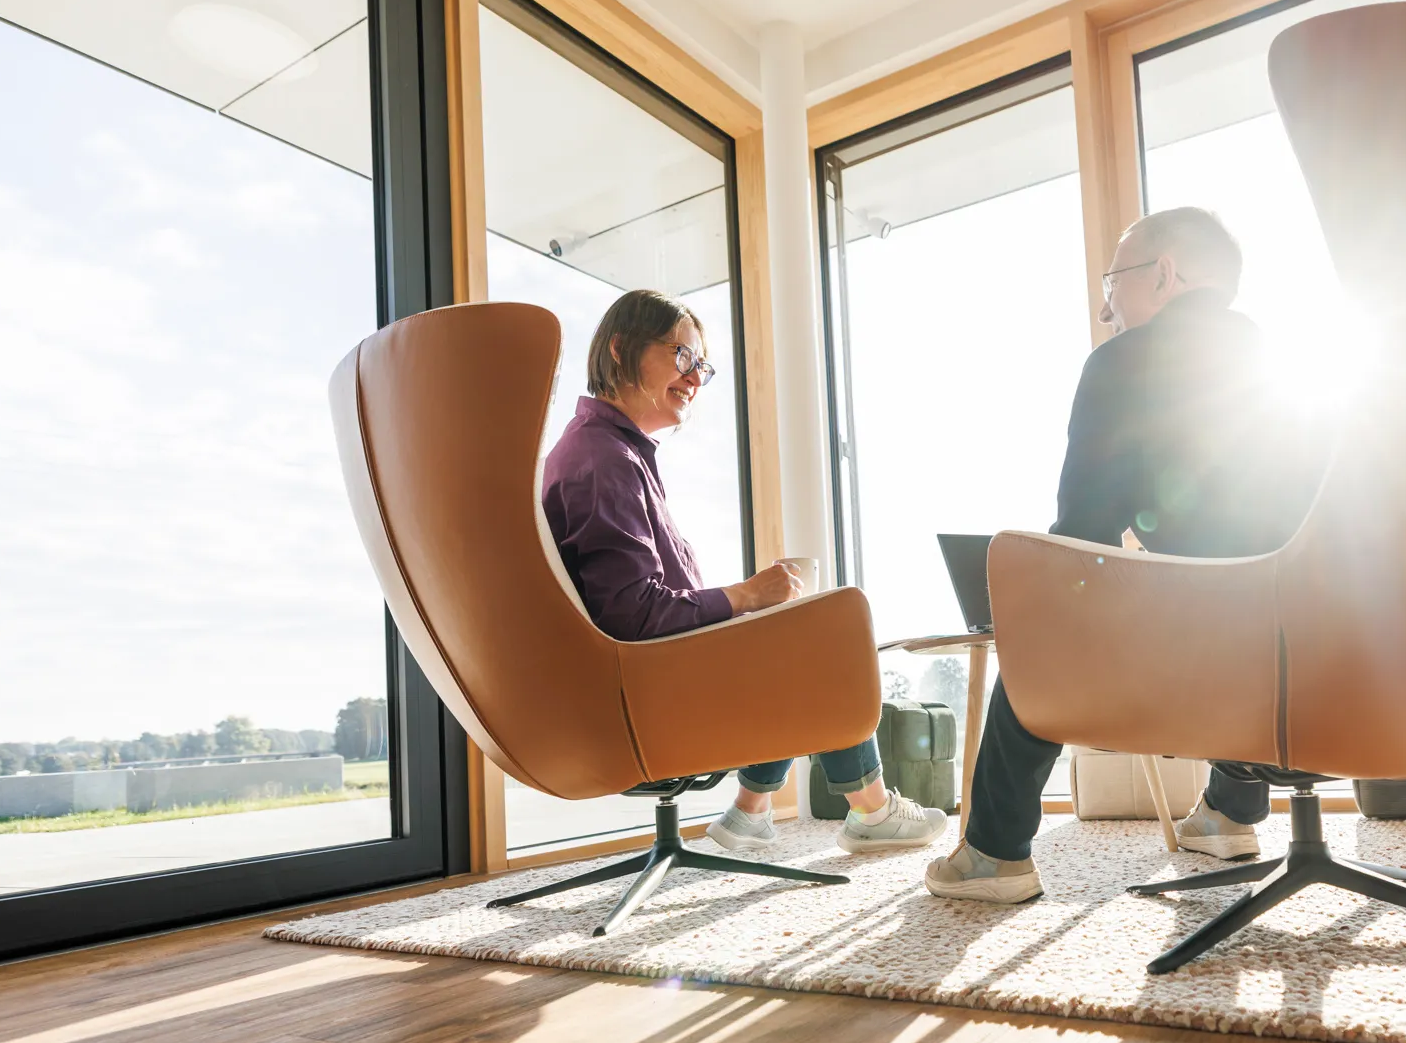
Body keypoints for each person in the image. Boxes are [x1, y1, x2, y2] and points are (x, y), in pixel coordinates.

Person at [925, 208, 1320, 903]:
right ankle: (1231, 812)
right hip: (1325, 655)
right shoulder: (1296, 367)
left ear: (1164, 274)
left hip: (1200, 664)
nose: (1106, 307)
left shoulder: (1123, 363)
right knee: (1243, 602)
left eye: (1114, 281)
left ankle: (993, 853)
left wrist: (1031, 608)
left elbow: (1083, 538)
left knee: (1034, 637)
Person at [540, 289, 947, 855]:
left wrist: (751, 605)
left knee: (788, 628)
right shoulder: (603, 459)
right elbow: (631, 613)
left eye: (700, 365)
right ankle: (870, 810)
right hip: (641, 702)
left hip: (643, 683)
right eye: (682, 357)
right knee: (822, 633)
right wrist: (746, 595)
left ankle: (752, 812)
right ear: (620, 349)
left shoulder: (610, 453)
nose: (695, 379)